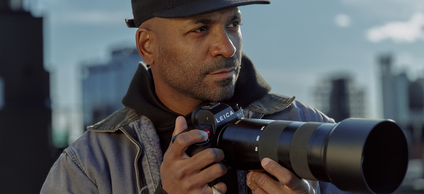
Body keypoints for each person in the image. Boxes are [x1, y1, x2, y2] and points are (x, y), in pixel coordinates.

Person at [41, 0, 355, 193]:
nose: (228, 47)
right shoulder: (89, 166)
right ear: (148, 46)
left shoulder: (308, 126)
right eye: (200, 29)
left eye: (233, 23)